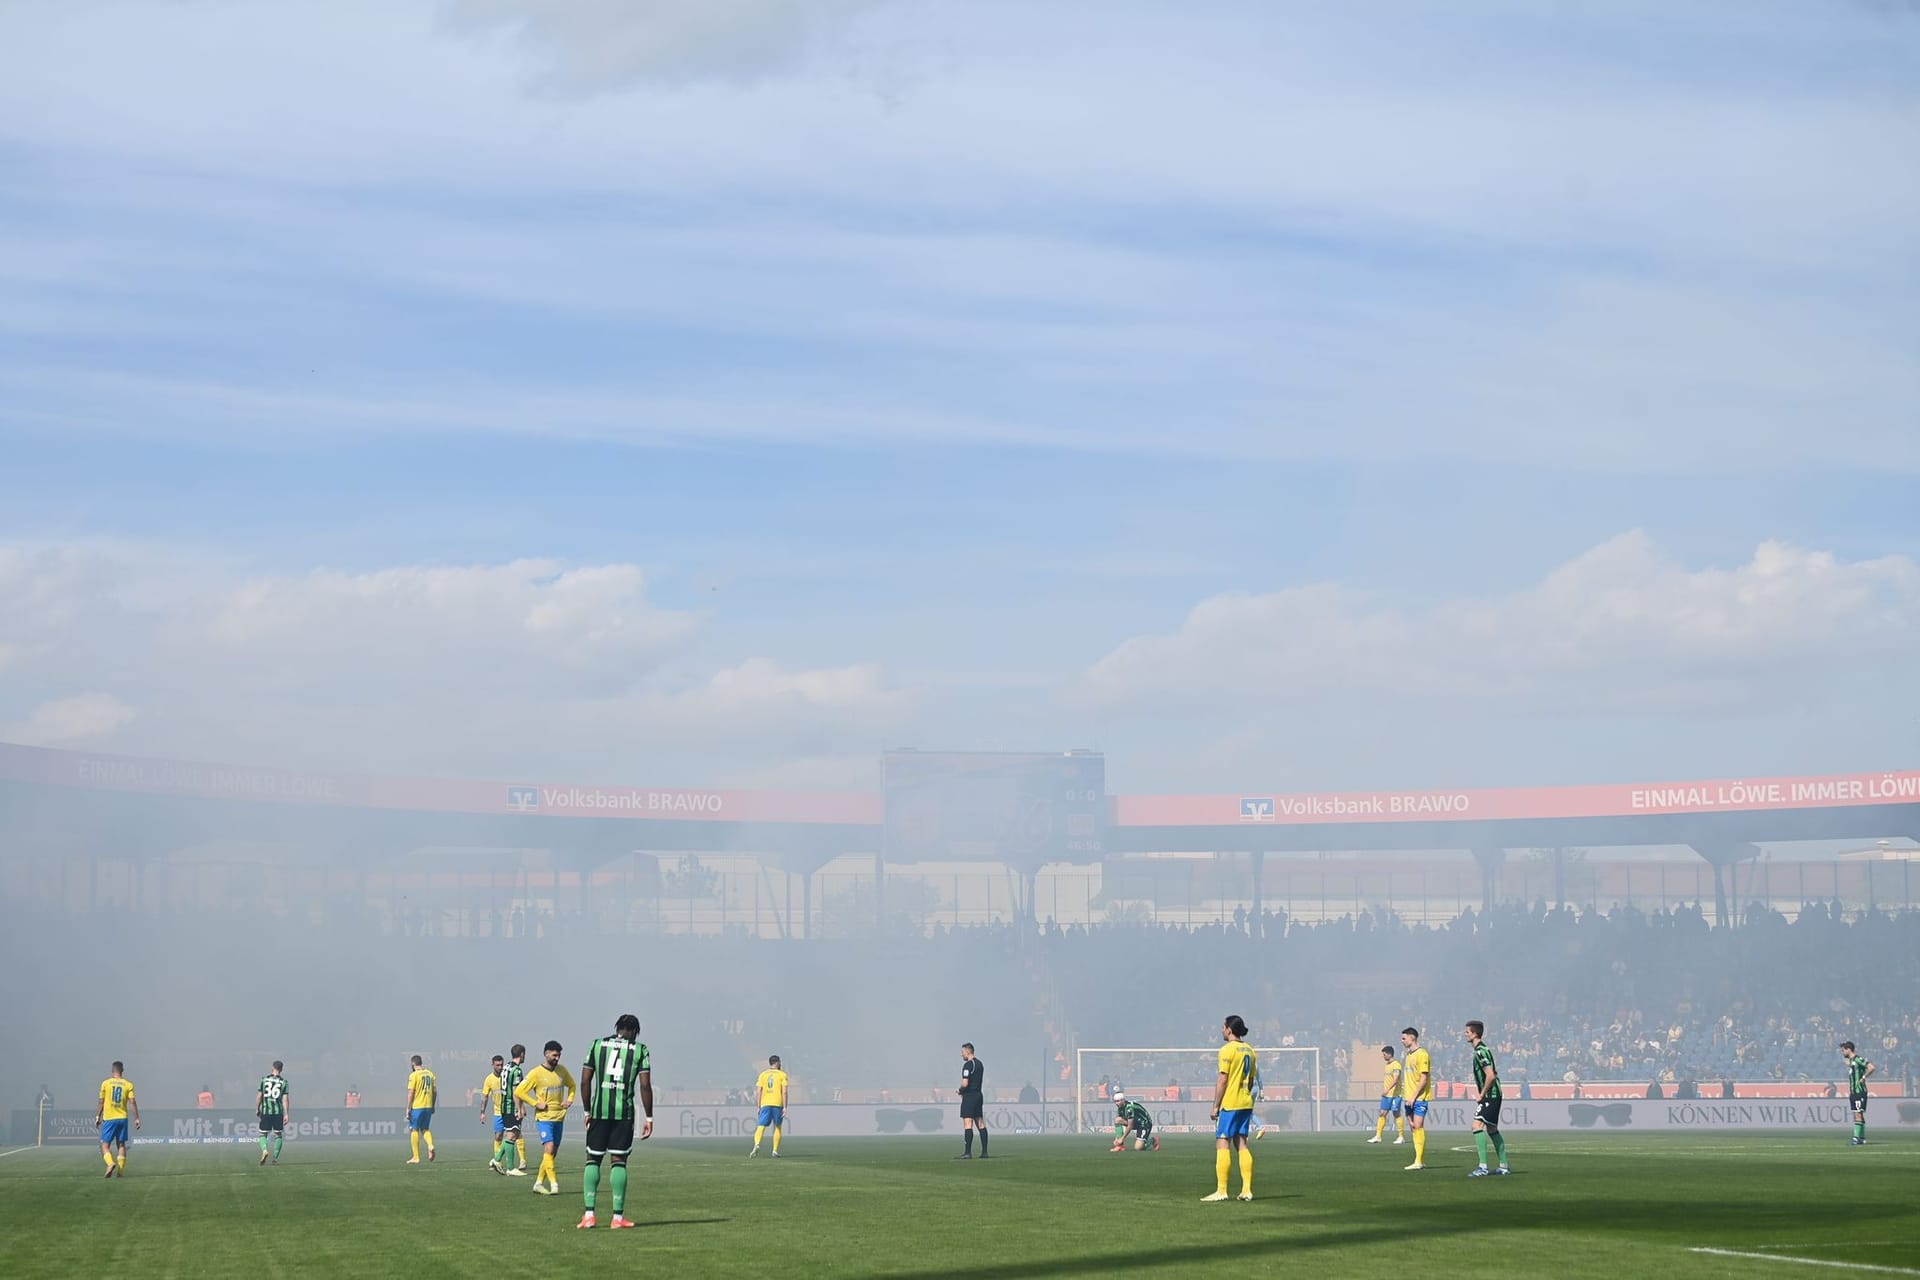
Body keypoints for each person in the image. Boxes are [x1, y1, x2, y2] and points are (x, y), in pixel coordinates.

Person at [577, 1015, 653, 1229]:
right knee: (618, 1160)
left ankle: (589, 1215)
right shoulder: (640, 1050)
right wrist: (649, 1117)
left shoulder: (596, 1045)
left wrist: (586, 1111)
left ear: (617, 1028)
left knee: (593, 1159)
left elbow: (585, 1080)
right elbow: (645, 1086)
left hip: (599, 1112)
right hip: (624, 1114)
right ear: (635, 1031)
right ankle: (617, 1218)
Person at [1204, 1014, 1257, 1201]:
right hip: (1246, 1102)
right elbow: (1251, 1081)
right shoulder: (1250, 1050)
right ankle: (1246, 1190)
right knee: (1242, 1143)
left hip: (1231, 1103)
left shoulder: (1227, 1050)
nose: (1221, 1030)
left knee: (1222, 1141)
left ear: (1229, 1029)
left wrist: (1215, 1106)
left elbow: (1223, 1079)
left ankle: (1221, 1191)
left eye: (1223, 1027)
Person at [513, 1039, 576, 1196]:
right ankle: (554, 1184)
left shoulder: (562, 1071)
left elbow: (573, 1085)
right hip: (544, 1118)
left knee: (552, 1153)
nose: (557, 1058)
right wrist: (535, 1103)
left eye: (559, 1055)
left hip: (559, 1117)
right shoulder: (536, 1073)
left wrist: (569, 1100)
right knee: (548, 1147)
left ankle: (538, 1183)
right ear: (546, 1054)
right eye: (554, 1055)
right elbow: (519, 1091)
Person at [1464, 1021, 1510, 1177]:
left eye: (1468, 1032)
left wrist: (1481, 1094)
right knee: (1491, 1129)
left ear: (1475, 1034)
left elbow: (1490, 1075)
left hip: (1491, 1094)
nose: (1466, 1034)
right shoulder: (1481, 1049)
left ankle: (1482, 1167)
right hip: (1494, 1094)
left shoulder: (1480, 1051)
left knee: (1476, 1126)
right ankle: (1503, 1166)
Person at [96, 1061, 140, 1178]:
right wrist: (137, 1118)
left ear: (112, 1070)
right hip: (122, 1118)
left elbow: (101, 1101)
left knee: (105, 1146)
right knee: (121, 1145)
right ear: (122, 1071)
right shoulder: (128, 1084)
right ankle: (120, 1173)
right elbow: (132, 1102)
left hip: (109, 1118)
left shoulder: (105, 1083)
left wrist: (98, 1116)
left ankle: (110, 1164)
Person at [492, 1045, 529, 1175]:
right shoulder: (517, 1070)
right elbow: (516, 1092)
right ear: (522, 1054)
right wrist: (520, 1108)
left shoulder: (506, 1067)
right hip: (511, 1106)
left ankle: (496, 1160)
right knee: (512, 1135)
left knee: (510, 1134)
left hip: (503, 1105)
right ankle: (511, 1167)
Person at [1401, 1027, 1431, 1171]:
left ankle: (1418, 1161)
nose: (1402, 1041)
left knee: (1418, 1126)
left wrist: (1414, 1096)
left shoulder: (1422, 1054)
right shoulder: (1408, 1055)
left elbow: (1423, 1079)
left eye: (1404, 1038)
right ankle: (1420, 1159)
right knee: (1413, 1127)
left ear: (1412, 1038)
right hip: (1408, 1099)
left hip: (1419, 1098)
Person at [751, 1054, 789, 1158]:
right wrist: (785, 1107)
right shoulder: (782, 1075)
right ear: (777, 1063)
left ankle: (757, 1144)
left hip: (765, 1103)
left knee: (761, 1126)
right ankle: (775, 1150)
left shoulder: (763, 1074)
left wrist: (758, 1106)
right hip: (777, 1103)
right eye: (779, 1062)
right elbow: (784, 1091)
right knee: (777, 1126)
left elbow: (758, 1091)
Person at [1368, 1045, 1405, 1145]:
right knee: (1382, 1113)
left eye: (1384, 1054)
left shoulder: (1396, 1064)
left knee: (1396, 1114)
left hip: (1395, 1095)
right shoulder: (1387, 1065)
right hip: (1387, 1095)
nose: (1383, 1056)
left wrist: (1387, 1089)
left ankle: (1401, 1136)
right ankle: (1378, 1136)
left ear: (1389, 1054)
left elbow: (1396, 1079)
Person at [257, 1060, 291, 1166]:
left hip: (266, 1111)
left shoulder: (264, 1080)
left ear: (272, 1067)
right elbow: (285, 1099)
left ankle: (264, 1150)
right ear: (281, 1069)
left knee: (263, 1134)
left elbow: (259, 1096)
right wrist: (286, 1114)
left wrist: (258, 1108)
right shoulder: (284, 1082)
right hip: (278, 1112)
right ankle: (275, 1159)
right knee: (278, 1135)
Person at [404, 1055, 437, 1164]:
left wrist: (408, 1108)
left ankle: (416, 1157)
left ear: (413, 1064)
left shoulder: (414, 1075)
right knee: (425, 1129)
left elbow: (411, 1093)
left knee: (414, 1129)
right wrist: (432, 1105)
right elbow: (435, 1091)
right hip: (428, 1106)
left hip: (417, 1106)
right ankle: (430, 1145)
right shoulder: (430, 1074)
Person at [1841, 1041, 1876, 1146]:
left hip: (1859, 1091)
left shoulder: (1858, 1059)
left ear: (1848, 1049)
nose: (1842, 1053)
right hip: (1854, 1091)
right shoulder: (1852, 1061)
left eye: (1843, 1050)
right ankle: (1861, 1138)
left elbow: (1871, 1067)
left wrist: (1864, 1077)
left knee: (1858, 1114)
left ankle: (1856, 1138)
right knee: (1858, 1113)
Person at [957, 1043, 988, 1159]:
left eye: (962, 1052)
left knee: (968, 1123)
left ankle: (967, 1152)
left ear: (968, 1051)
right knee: (980, 1122)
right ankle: (984, 1152)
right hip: (979, 1095)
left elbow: (965, 1083)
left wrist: (960, 1090)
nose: (961, 1054)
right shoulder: (980, 1064)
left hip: (969, 1096)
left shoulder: (968, 1065)